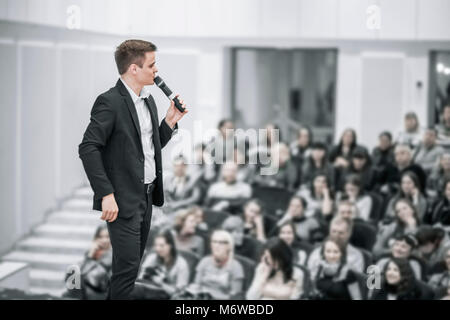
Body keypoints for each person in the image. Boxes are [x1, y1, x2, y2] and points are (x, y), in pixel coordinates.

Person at [78, 39, 187, 299]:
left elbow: (148, 149)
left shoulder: (148, 101)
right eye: (152, 65)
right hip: (122, 199)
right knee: (126, 271)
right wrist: (106, 194)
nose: (156, 70)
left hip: (146, 198)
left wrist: (169, 122)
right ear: (134, 69)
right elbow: (88, 148)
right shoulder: (109, 102)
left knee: (129, 271)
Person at [135, 229, 189, 299]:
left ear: (171, 246)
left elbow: (180, 294)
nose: (158, 249)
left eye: (161, 246)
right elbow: (140, 280)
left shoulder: (181, 264)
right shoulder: (152, 258)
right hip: (145, 292)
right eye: (156, 245)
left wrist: (161, 283)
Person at [190, 230, 245, 299]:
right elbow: (196, 286)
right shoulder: (204, 261)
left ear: (229, 246)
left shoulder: (236, 267)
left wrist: (212, 296)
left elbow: (235, 297)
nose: (216, 245)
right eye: (214, 242)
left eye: (221, 243)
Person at [64, 226, 112, 300]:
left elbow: (98, 275)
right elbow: (83, 269)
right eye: (100, 237)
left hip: (103, 290)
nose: (104, 240)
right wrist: (90, 255)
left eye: (107, 237)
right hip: (88, 286)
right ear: (96, 238)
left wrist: (90, 259)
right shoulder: (94, 252)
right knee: (73, 271)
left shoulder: (113, 253)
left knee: (76, 275)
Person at [370, 257, 434, 300]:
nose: (390, 273)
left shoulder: (415, 293)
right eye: (388, 269)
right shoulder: (381, 288)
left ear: (404, 274)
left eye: (395, 270)